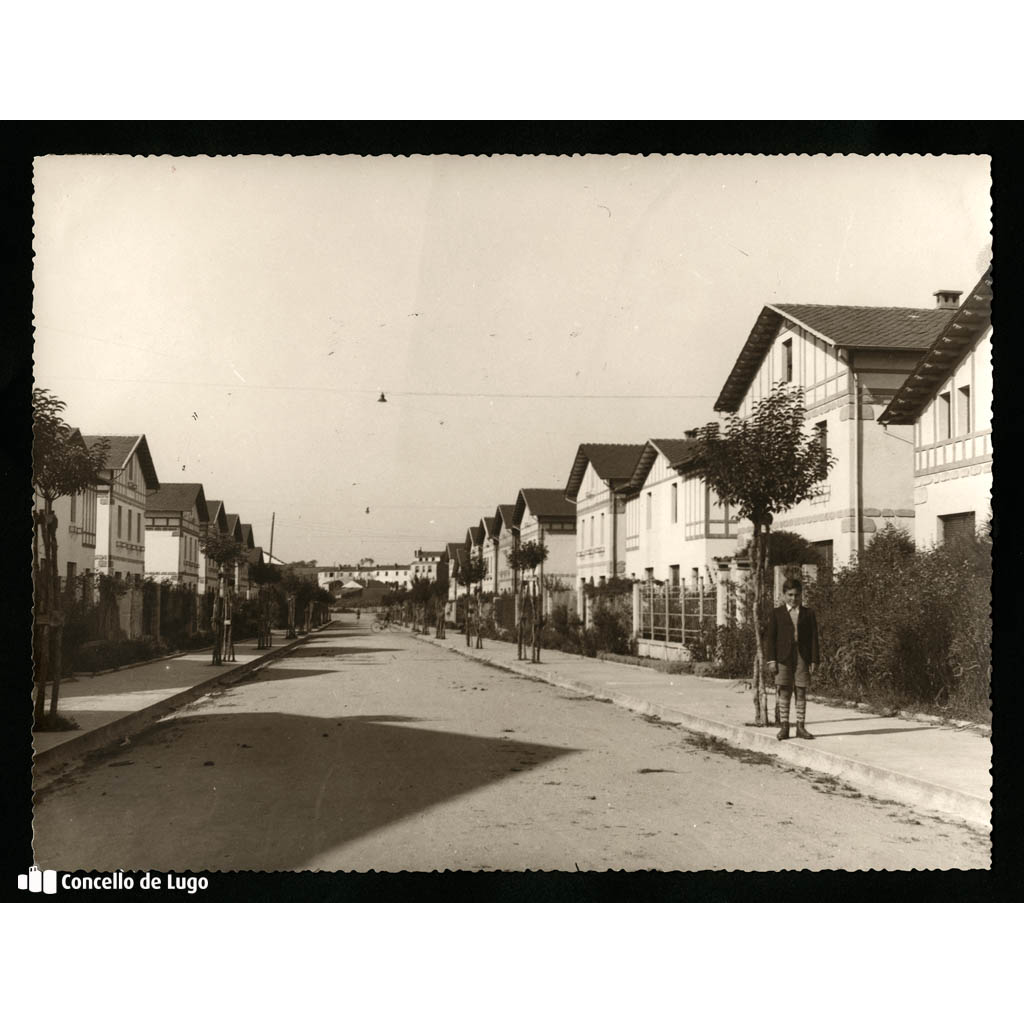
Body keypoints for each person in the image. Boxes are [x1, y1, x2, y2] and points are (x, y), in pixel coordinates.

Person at [765, 577, 820, 741]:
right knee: (784, 689)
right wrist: (771, 660)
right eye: (789, 595)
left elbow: (814, 638)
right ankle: (784, 727)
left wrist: (814, 659)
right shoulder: (777, 613)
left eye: (796, 595)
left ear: (801, 595)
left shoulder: (808, 613)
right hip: (782, 657)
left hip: (802, 655)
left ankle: (801, 727)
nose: (793, 598)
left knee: (801, 689)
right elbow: (771, 638)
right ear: (783, 595)